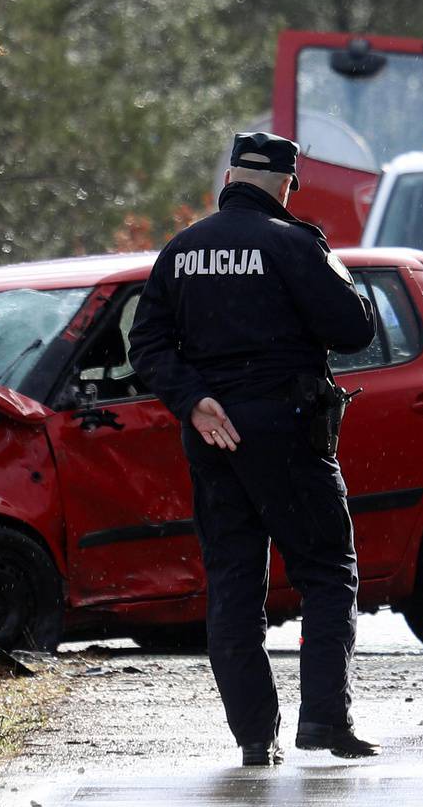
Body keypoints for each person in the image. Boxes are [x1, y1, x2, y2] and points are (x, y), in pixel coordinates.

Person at [128, 131, 380, 766]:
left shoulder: (180, 250)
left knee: (234, 585)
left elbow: (147, 346)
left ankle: (253, 734)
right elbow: (354, 327)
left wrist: (193, 399)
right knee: (326, 573)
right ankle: (323, 718)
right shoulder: (295, 244)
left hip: (213, 436)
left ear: (232, 177)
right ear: (286, 184)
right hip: (288, 431)